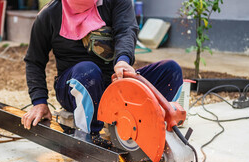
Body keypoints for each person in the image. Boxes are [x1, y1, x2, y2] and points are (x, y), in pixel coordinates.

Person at [22, 0, 183, 145]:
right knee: (88, 70)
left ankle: (156, 131)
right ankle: (88, 140)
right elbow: (34, 61)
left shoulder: (115, 2)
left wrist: (122, 60)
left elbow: (126, 30)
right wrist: (39, 102)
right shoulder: (49, 14)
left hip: (114, 85)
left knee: (170, 70)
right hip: (74, 86)